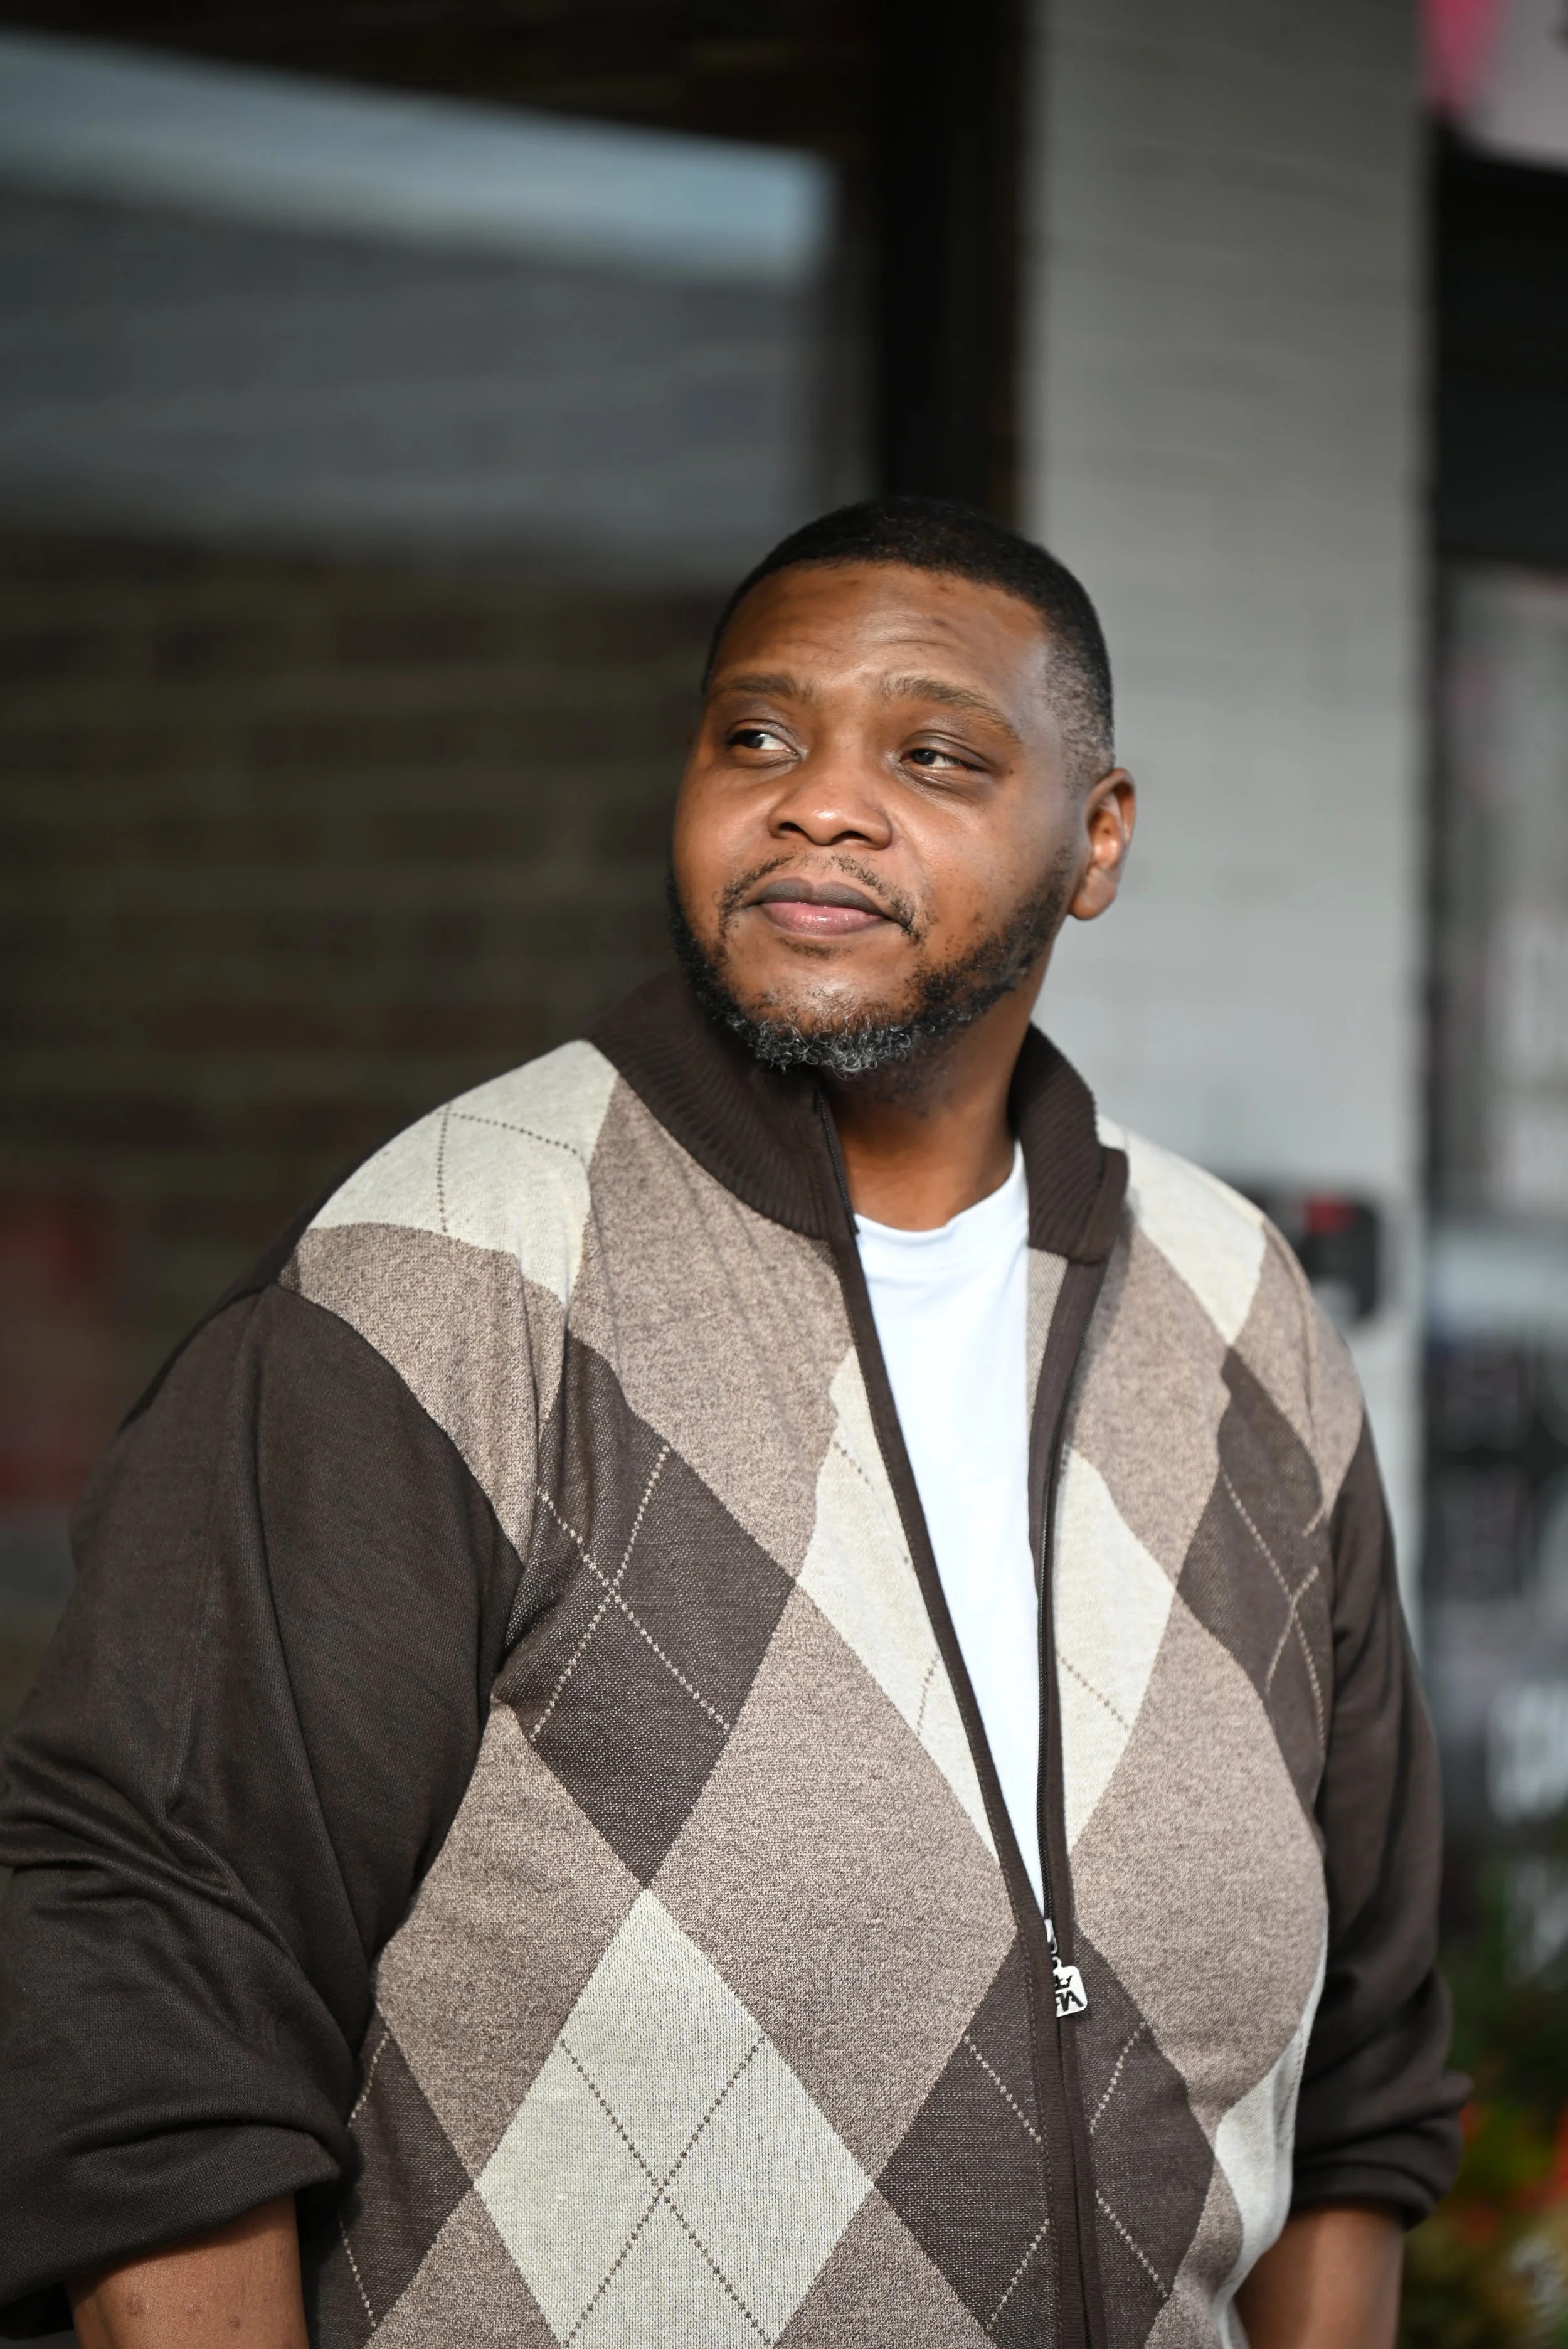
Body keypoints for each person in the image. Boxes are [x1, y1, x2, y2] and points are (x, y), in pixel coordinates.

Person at [0, 497, 1462, 2349]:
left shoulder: (1240, 1314)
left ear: (1093, 841)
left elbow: (1367, 2061)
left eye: (931, 753)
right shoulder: (442, 1275)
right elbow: (151, 1964)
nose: (817, 802)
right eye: (754, 739)